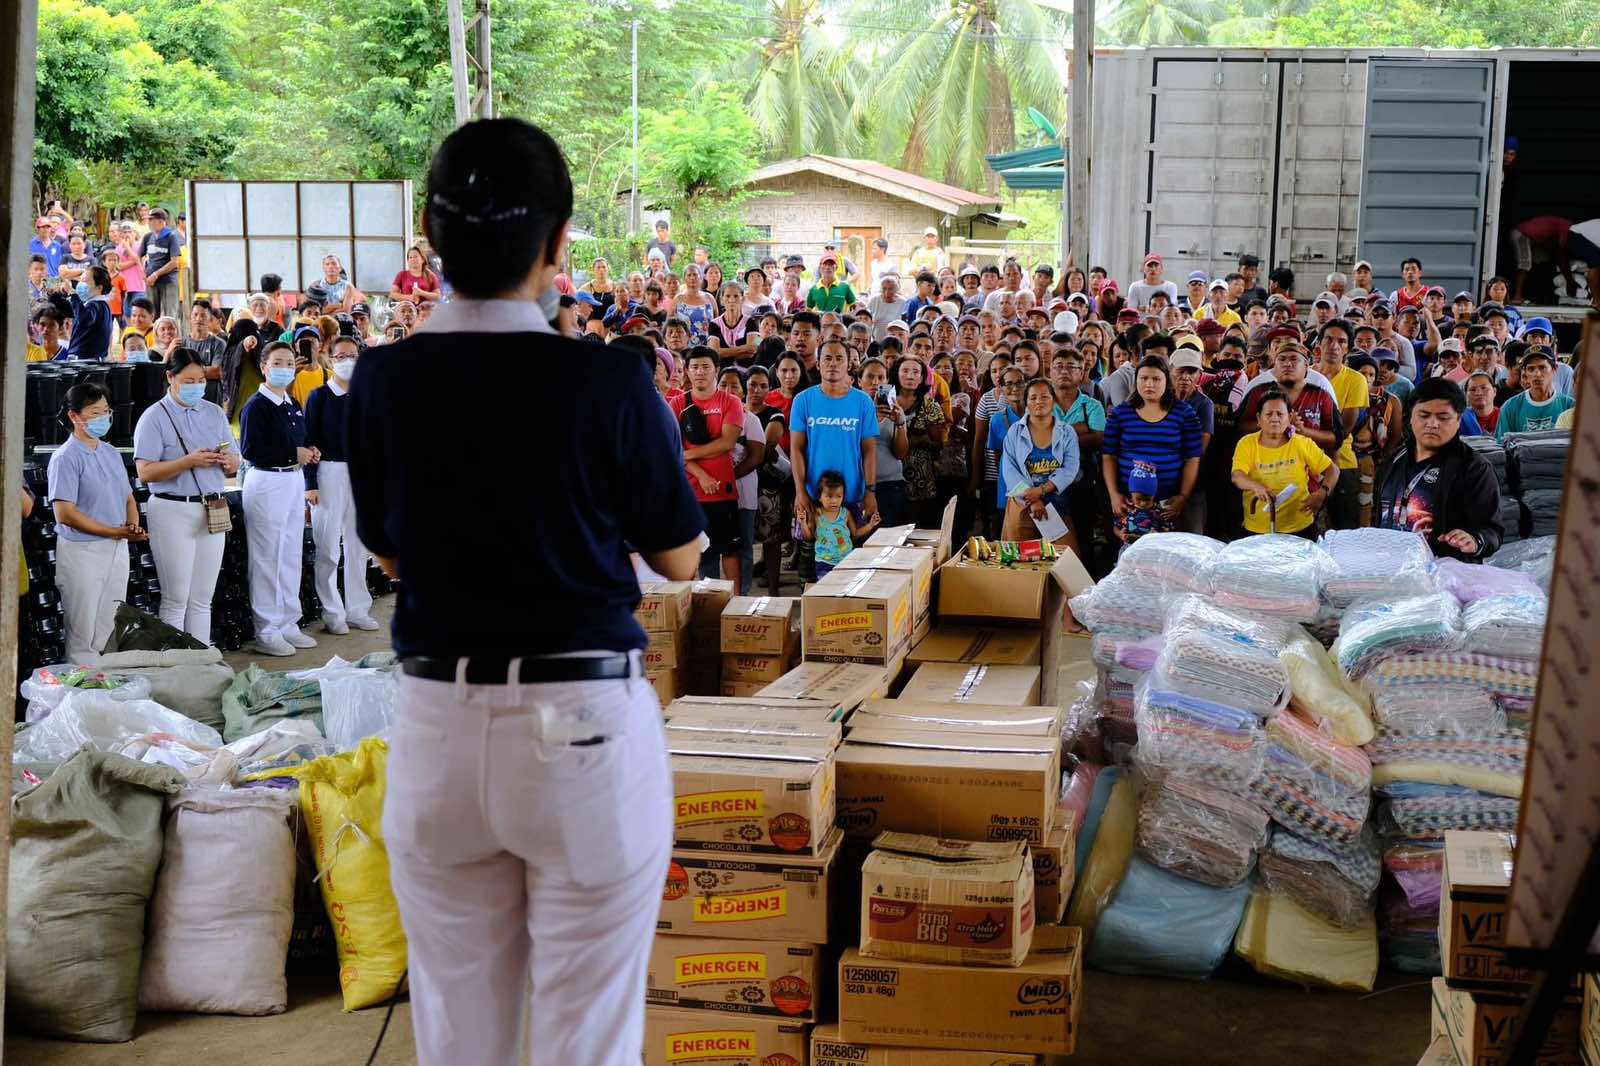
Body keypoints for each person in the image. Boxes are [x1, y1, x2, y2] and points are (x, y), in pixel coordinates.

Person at [345, 119, 706, 1066]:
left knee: (461, 1039)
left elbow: (386, 548)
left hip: (435, 726)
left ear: (431, 233)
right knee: (586, 1041)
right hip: (581, 724)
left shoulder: (383, 378)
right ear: (558, 244)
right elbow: (681, 559)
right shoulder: (609, 381)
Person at [131, 349, 240, 644]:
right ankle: (175, 665)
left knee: (202, 598)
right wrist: (188, 462)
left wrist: (230, 462)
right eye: (188, 380)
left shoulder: (214, 412)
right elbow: (145, 472)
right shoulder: (154, 417)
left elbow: (235, 458)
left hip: (213, 506)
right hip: (172, 509)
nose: (196, 386)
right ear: (170, 377)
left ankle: (200, 663)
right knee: (176, 598)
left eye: (201, 380)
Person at [47, 383, 147, 660]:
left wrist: (131, 525)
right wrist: (113, 531)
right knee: (83, 624)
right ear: (74, 416)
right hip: (83, 551)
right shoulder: (65, 458)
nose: (103, 417)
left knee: (109, 619)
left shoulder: (110, 453)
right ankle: (82, 685)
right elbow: (65, 513)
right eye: (94, 412)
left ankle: (104, 679)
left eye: (106, 411)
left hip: (116, 547)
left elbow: (128, 497)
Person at [239, 341, 320, 656]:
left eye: (289, 363)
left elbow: (299, 439)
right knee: (267, 557)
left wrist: (308, 451)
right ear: (264, 367)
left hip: (292, 480)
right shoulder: (256, 406)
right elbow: (250, 450)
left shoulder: (291, 403)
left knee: (289, 554)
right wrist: (292, 452)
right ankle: (267, 629)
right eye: (277, 362)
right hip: (267, 481)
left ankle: (289, 621)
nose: (284, 368)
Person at [1376, 377, 1502, 562]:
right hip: (1393, 571)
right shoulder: (1395, 459)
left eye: (1443, 418)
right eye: (1424, 415)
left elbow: (1492, 531)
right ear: (1410, 416)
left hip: (1446, 577)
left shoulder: (1474, 468)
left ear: (1459, 420)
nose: (1432, 424)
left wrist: (1475, 541)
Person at [304, 335, 379, 636]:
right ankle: (333, 611)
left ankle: (358, 608)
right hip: (328, 472)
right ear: (330, 359)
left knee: (359, 545)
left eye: (352, 355)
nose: (347, 361)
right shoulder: (319, 397)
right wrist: (310, 483)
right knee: (328, 547)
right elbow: (308, 441)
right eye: (340, 356)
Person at [790, 338, 879, 582]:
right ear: (817, 363)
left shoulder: (862, 402)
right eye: (827, 358)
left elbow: (870, 450)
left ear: (849, 364)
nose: (833, 364)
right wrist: (800, 492)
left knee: (855, 574)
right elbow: (796, 449)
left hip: (853, 498)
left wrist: (870, 491)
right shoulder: (803, 401)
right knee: (811, 573)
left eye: (839, 358)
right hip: (814, 500)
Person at [1102, 356, 1203, 540]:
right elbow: (1109, 455)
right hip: (1130, 503)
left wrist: (1183, 496)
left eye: (1156, 379)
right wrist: (1114, 494)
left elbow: (1193, 458)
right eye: (1144, 378)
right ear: (1136, 380)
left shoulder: (1184, 413)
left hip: (1168, 505)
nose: (1149, 384)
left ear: (1167, 381)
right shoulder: (1121, 413)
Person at [669, 348, 745, 589]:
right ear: (687, 372)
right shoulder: (677, 403)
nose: (700, 372)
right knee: (697, 554)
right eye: (694, 367)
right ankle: (700, 606)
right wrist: (701, 475)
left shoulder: (730, 401)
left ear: (716, 370)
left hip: (724, 490)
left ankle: (736, 606)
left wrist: (688, 454)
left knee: (730, 551)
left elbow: (727, 442)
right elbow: (673, 449)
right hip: (690, 494)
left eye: (705, 367)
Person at [1231, 388, 1338, 539]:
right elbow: (1237, 476)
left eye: (1280, 414)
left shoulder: (1301, 443)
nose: (1275, 419)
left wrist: (1323, 492)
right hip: (1258, 529)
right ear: (1258, 419)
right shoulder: (1247, 444)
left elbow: (1332, 470)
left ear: (1289, 418)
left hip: (1300, 527)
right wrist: (1255, 486)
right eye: (1269, 414)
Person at [1000, 378, 1082, 551]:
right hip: (1023, 502)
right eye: (1033, 397)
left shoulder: (1067, 432)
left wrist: (1042, 491)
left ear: (1054, 400)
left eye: (1044, 396)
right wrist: (1032, 498)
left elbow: (1070, 468)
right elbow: (1009, 470)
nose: (1039, 401)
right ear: (1027, 402)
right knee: (1022, 562)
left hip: (1056, 502)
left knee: (1065, 561)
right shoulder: (1015, 431)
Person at [889, 355, 948, 529]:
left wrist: (914, 441)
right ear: (896, 374)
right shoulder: (885, 401)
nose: (910, 376)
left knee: (917, 529)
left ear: (922, 378)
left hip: (920, 480)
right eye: (905, 371)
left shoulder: (930, 405)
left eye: (916, 372)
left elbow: (938, 445)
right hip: (889, 476)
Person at [859, 358, 910, 527]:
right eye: (870, 377)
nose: (875, 382)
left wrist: (900, 423)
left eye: (881, 378)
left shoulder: (894, 408)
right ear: (859, 381)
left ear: (887, 381)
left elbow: (900, 453)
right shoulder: (853, 409)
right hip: (861, 486)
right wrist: (871, 419)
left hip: (892, 485)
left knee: (891, 541)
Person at [803, 470, 879, 579]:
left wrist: (870, 525)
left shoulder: (845, 514)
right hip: (824, 562)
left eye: (838, 496)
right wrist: (803, 523)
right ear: (820, 497)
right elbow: (809, 536)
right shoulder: (816, 515)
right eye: (829, 496)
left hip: (846, 561)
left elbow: (855, 534)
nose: (834, 501)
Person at [1496, 346, 1574, 438]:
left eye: (1542, 368)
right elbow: (1502, 446)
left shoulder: (1569, 406)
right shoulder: (1510, 407)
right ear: (1524, 372)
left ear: (1554, 369)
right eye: (1531, 369)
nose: (1537, 374)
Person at [138, 208, 184, 321]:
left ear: (161, 221)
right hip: (151, 282)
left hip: (168, 281)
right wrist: (143, 273)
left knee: (170, 315)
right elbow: (139, 256)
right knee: (151, 314)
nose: (149, 223)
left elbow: (174, 262)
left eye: (151, 220)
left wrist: (156, 275)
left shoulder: (171, 236)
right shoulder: (148, 237)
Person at [63, 266, 116, 361]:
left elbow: (84, 319)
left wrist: (72, 293)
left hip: (86, 361)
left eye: (85, 281)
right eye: (80, 280)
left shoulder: (96, 306)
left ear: (99, 287)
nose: (80, 284)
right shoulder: (100, 305)